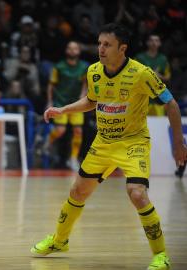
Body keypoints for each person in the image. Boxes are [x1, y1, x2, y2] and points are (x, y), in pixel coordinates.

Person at [31, 23, 187, 270]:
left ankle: (161, 256)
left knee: (137, 193)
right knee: (77, 193)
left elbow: (172, 104)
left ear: (122, 48)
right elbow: (92, 100)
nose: (100, 49)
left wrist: (179, 143)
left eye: (107, 45)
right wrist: (63, 109)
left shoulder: (142, 73)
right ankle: (59, 241)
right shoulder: (94, 71)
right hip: (103, 142)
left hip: (133, 142)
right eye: (99, 43)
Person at [44, 41, 88, 170]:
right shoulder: (59, 67)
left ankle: (73, 158)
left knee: (78, 131)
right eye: (70, 48)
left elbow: (85, 83)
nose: (73, 50)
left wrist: (83, 94)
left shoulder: (84, 67)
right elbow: (51, 85)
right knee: (60, 130)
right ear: (66, 51)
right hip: (61, 103)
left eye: (75, 48)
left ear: (79, 51)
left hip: (77, 104)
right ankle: (47, 141)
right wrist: (49, 101)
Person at [136, 34, 171, 116]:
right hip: (142, 98)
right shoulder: (139, 57)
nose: (154, 43)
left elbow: (168, 77)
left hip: (158, 98)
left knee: (158, 124)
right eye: (151, 40)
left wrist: (159, 76)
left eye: (156, 40)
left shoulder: (163, 59)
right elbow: (132, 75)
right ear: (147, 43)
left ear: (160, 43)